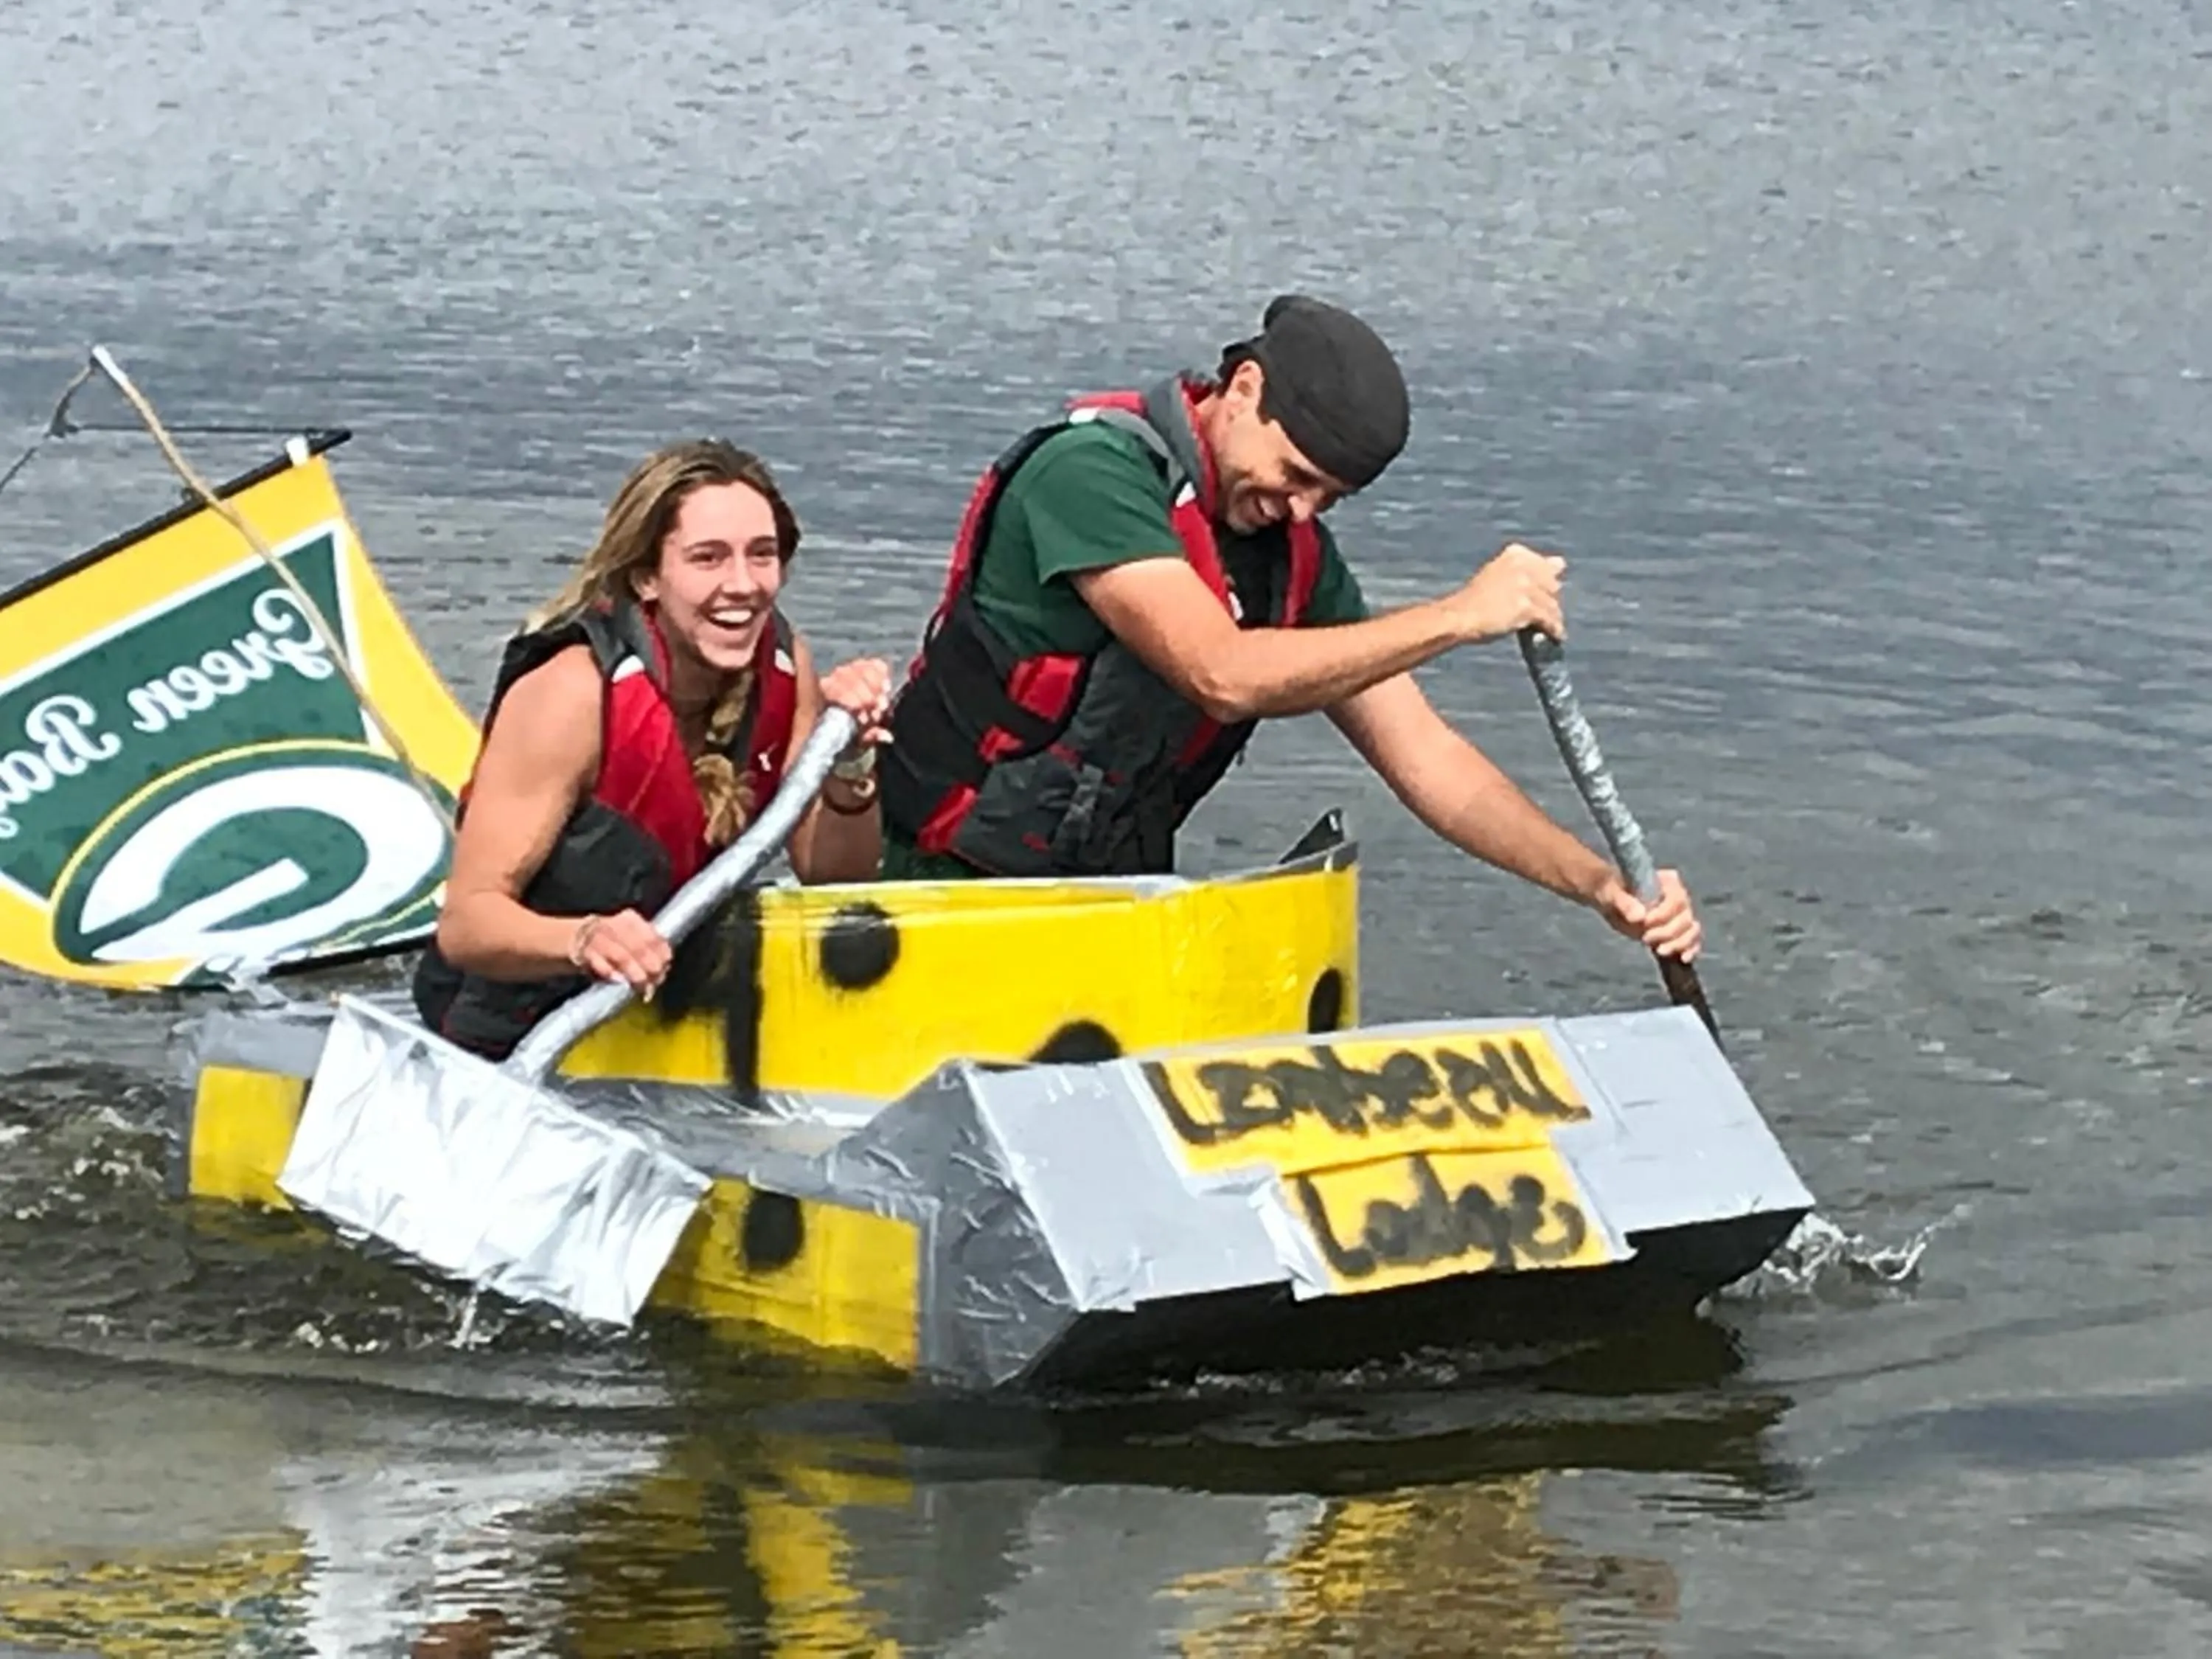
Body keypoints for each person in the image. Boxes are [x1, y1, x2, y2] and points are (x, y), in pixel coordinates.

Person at [876, 293, 1702, 964]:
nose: (1302, 509)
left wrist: (1596, 884)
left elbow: (1433, 764)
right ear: (1242, 391)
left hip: (1105, 914)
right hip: (932, 894)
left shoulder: (1292, 560)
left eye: (1330, 496)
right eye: (1295, 475)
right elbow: (1220, 674)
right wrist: (1458, 616)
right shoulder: (1089, 475)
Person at [414, 439, 893, 1059]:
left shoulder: (783, 666)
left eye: (763, 556)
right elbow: (467, 925)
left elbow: (833, 875)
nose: (742, 586)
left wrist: (849, 764)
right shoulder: (571, 696)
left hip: (662, 1028)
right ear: (646, 576)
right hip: (511, 1038)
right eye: (708, 559)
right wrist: (584, 939)